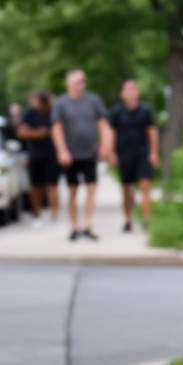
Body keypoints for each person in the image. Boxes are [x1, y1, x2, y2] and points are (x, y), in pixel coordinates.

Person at [51, 69, 111, 241]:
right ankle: (74, 226)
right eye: (77, 81)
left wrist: (104, 145)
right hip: (70, 154)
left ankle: (87, 225)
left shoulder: (93, 100)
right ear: (68, 83)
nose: (80, 84)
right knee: (73, 189)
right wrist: (62, 151)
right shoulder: (61, 103)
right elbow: (56, 128)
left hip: (89, 152)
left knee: (91, 187)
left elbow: (103, 124)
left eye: (82, 81)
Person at [107, 79, 160, 231]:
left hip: (142, 153)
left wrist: (154, 153)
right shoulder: (116, 112)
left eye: (133, 89)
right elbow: (112, 133)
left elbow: (151, 132)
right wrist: (111, 153)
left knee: (145, 185)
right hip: (124, 154)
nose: (130, 92)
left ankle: (146, 219)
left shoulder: (145, 111)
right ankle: (128, 219)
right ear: (122, 94)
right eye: (127, 89)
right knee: (127, 188)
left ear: (137, 93)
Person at [17, 89, 60, 226]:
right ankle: (37, 215)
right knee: (36, 187)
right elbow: (22, 132)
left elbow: (57, 131)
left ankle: (54, 215)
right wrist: (41, 133)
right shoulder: (30, 113)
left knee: (53, 186)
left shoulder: (54, 112)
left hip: (52, 155)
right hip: (35, 155)